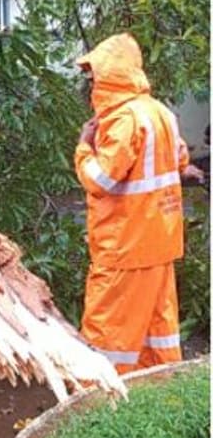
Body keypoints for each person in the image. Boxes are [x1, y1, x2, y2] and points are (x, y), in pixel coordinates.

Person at [73, 33, 203, 375]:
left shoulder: (122, 119)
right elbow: (180, 161)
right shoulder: (160, 112)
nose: (91, 83)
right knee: (156, 329)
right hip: (160, 244)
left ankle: (100, 394)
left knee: (108, 332)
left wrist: (84, 148)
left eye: (94, 75)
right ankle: (162, 390)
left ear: (110, 74)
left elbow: (101, 179)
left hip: (125, 248)